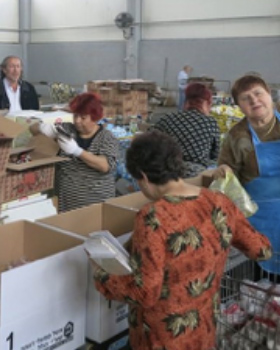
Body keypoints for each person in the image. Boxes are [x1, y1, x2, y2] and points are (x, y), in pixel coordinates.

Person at [91, 130, 271, 350]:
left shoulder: (154, 215)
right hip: (203, 329)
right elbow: (261, 250)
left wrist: (103, 276)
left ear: (144, 177)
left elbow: (145, 292)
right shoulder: (220, 202)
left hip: (161, 336)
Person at [214, 74, 280, 275]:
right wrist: (223, 171)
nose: (254, 100)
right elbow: (225, 169)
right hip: (259, 218)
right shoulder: (237, 136)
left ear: (269, 95)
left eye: (258, 93)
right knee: (263, 279)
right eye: (246, 98)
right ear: (239, 106)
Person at [30, 92, 119, 212]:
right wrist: (42, 127)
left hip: (96, 206)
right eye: (75, 115)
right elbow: (32, 128)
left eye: (83, 117)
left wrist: (77, 151)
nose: (77, 121)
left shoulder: (106, 137)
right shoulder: (67, 130)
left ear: (94, 117)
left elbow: (104, 165)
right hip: (66, 205)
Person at [153, 83, 220, 177]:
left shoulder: (168, 119)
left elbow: (149, 141)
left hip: (168, 172)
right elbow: (215, 155)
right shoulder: (210, 122)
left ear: (186, 101)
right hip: (197, 175)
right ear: (206, 103)